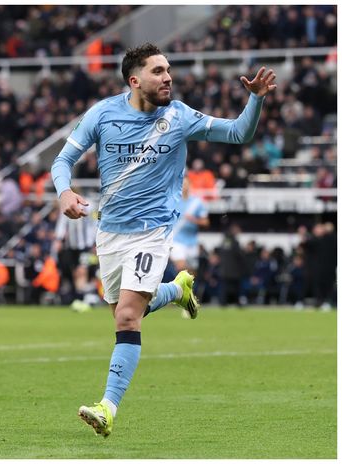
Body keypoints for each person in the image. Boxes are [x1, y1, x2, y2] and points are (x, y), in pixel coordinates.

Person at [51, 43, 276, 437]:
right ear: (134, 80)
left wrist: (255, 100)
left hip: (153, 230)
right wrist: (64, 191)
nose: (168, 77)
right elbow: (62, 160)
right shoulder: (102, 114)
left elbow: (239, 132)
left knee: (127, 317)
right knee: (123, 312)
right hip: (110, 232)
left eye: (168, 69)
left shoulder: (180, 116)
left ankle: (107, 408)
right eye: (158, 71)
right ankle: (176, 290)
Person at [170, 177, 209, 274]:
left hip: (192, 241)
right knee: (181, 267)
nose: (184, 187)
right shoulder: (173, 200)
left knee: (192, 272)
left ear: (190, 185)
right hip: (176, 240)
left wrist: (193, 219)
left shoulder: (196, 202)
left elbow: (206, 222)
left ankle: (188, 284)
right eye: (182, 184)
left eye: (186, 184)